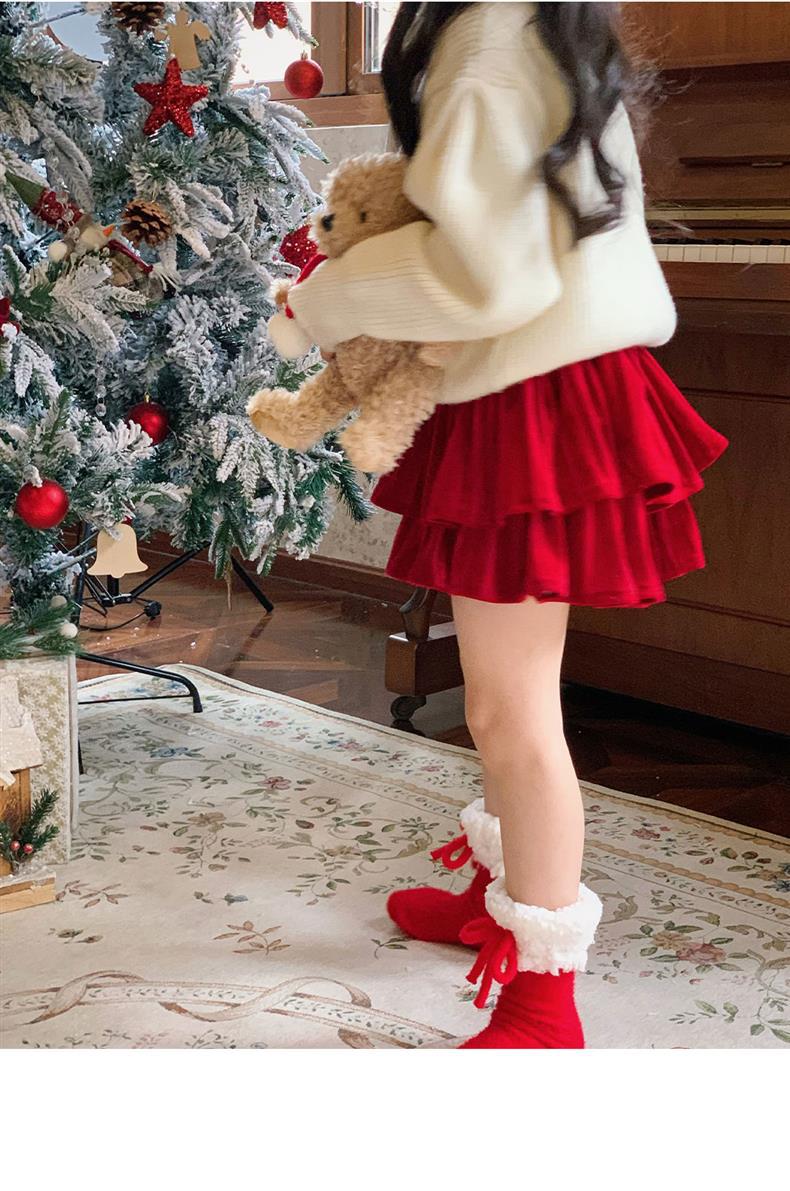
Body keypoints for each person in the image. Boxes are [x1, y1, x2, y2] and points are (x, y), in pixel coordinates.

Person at [287, 1, 728, 1048]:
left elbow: (487, 276)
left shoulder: (487, 40)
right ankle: (503, 897)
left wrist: (330, 298)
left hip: (535, 400)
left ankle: (544, 996)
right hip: (545, 384)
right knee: (502, 700)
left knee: (510, 708)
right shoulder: (532, 23)